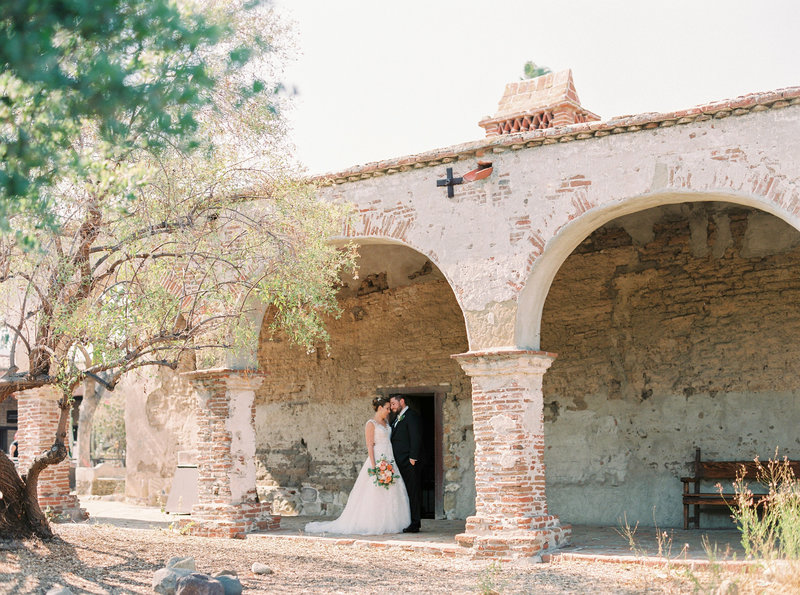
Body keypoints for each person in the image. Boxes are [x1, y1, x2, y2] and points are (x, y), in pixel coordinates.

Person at [305, 396, 410, 535]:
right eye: (387, 408)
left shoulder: (386, 423)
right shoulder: (371, 424)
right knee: (375, 491)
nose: (389, 411)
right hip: (378, 459)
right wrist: (375, 466)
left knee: (393, 490)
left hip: (389, 459)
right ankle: (373, 522)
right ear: (379, 408)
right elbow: (370, 446)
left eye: (390, 408)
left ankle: (393, 521)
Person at [389, 393, 423, 533]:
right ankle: (408, 520)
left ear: (401, 401)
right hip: (398, 461)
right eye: (391, 405)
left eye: (393, 404)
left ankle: (415, 523)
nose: (391, 407)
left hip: (408, 461)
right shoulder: (397, 418)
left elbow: (416, 436)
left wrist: (413, 458)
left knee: (413, 491)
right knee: (404, 492)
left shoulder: (411, 416)